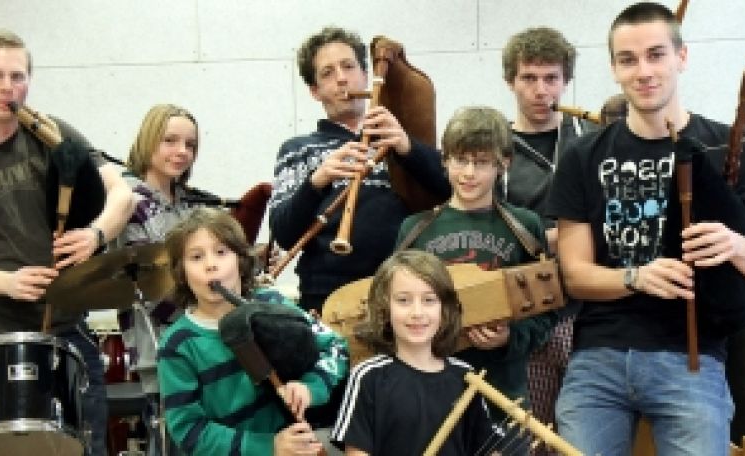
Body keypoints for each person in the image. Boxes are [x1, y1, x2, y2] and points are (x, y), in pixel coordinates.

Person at [548, 3, 745, 454]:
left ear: (682, 57)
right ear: (614, 68)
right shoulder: (584, 157)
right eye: (628, 59)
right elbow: (575, 275)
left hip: (692, 360)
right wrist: (635, 277)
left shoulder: (731, 149)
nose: (643, 71)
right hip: (597, 359)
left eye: (656, 55)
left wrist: (736, 245)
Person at [0, 28, 135, 456]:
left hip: (67, 330)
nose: (8, 87)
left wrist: (96, 233)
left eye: (18, 76)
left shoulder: (51, 134)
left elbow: (122, 194)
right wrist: (3, 282)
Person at [394, 107, 556, 446]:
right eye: (459, 160)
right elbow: (390, 313)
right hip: (429, 397)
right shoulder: (414, 230)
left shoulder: (524, 227)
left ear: (503, 164)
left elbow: (548, 312)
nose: (468, 173)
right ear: (445, 161)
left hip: (502, 393)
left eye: (481, 163)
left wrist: (510, 337)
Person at [269, 26, 450, 315]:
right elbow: (284, 233)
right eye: (327, 73)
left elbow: (452, 191)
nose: (342, 78)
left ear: (366, 76)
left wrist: (408, 148)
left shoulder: (399, 137)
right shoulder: (297, 149)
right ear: (315, 92)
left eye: (349, 66)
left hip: (404, 290)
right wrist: (317, 181)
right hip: (327, 295)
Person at [157, 208, 349, 455]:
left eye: (221, 252)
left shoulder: (271, 304)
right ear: (181, 273)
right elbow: (188, 429)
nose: (211, 265)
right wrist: (268, 446)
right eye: (196, 257)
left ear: (240, 259)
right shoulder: (178, 344)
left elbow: (336, 347)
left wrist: (310, 388)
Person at [499, 27, 596, 446]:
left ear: (565, 81)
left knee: (584, 439)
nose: (541, 90)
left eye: (551, 78)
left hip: (588, 315)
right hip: (529, 313)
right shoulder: (496, 147)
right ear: (510, 81)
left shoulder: (590, 141)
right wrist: (560, 236)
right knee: (533, 437)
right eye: (529, 78)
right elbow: (494, 231)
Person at [330, 249, 496, 455]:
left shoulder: (467, 377)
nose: (417, 313)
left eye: (429, 300)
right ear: (384, 308)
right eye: (403, 300)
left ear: (444, 309)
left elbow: (489, 449)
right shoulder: (367, 377)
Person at [112, 103, 202, 454]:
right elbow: (155, 287)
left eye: (190, 145)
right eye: (170, 140)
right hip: (161, 344)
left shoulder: (187, 203)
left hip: (201, 343)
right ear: (148, 141)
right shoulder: (128, 199)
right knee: (173, 439)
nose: (182, 152)